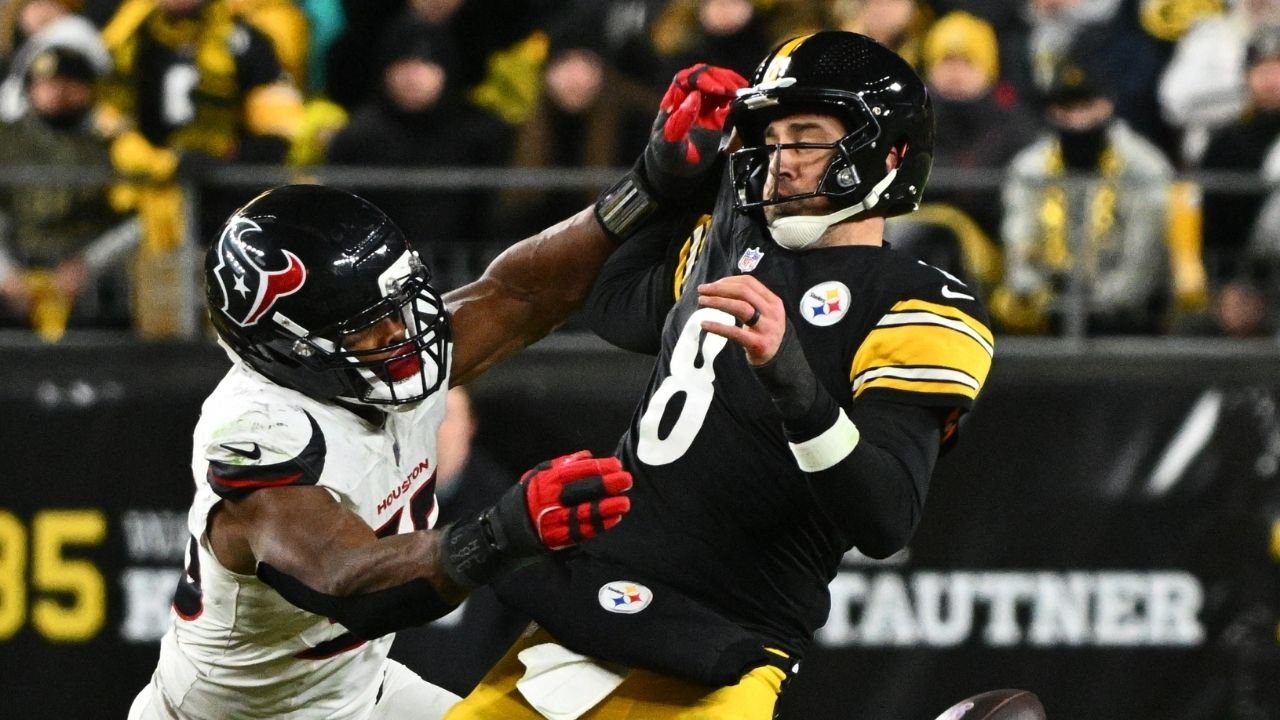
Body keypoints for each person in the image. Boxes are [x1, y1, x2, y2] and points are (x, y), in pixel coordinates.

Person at [445, 31, 995, 720]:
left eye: (806, 139)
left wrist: (795, 385)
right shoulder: (734, 237)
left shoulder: (918, 301)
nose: (781, 162)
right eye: (772, 139)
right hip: (580, 617)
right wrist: (665, 180)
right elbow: (614, 306)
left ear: (888, 154)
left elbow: (886, 518)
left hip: (723, 645)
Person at [124, 109, 734, 716]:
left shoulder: (376, 363)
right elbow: (346, 579)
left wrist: (646, 186)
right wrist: (500, 533)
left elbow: (520, 293)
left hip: (356, 691)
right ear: (291, 346)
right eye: (366, 325)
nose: (401, 333)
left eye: (398, 305)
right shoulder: (259, 432)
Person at [992, 48, 1176, 335]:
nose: (1077, 119)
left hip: (1126, 315)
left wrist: (1104, 301)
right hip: (1048, 309)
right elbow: (1020, 240)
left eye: (1086, 105)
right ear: (1051, 110)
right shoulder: (1030, 167)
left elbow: (1143, 255)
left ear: (1107, 104)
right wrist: (1036, 293)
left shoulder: (1144, 166)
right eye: (1066, 107)